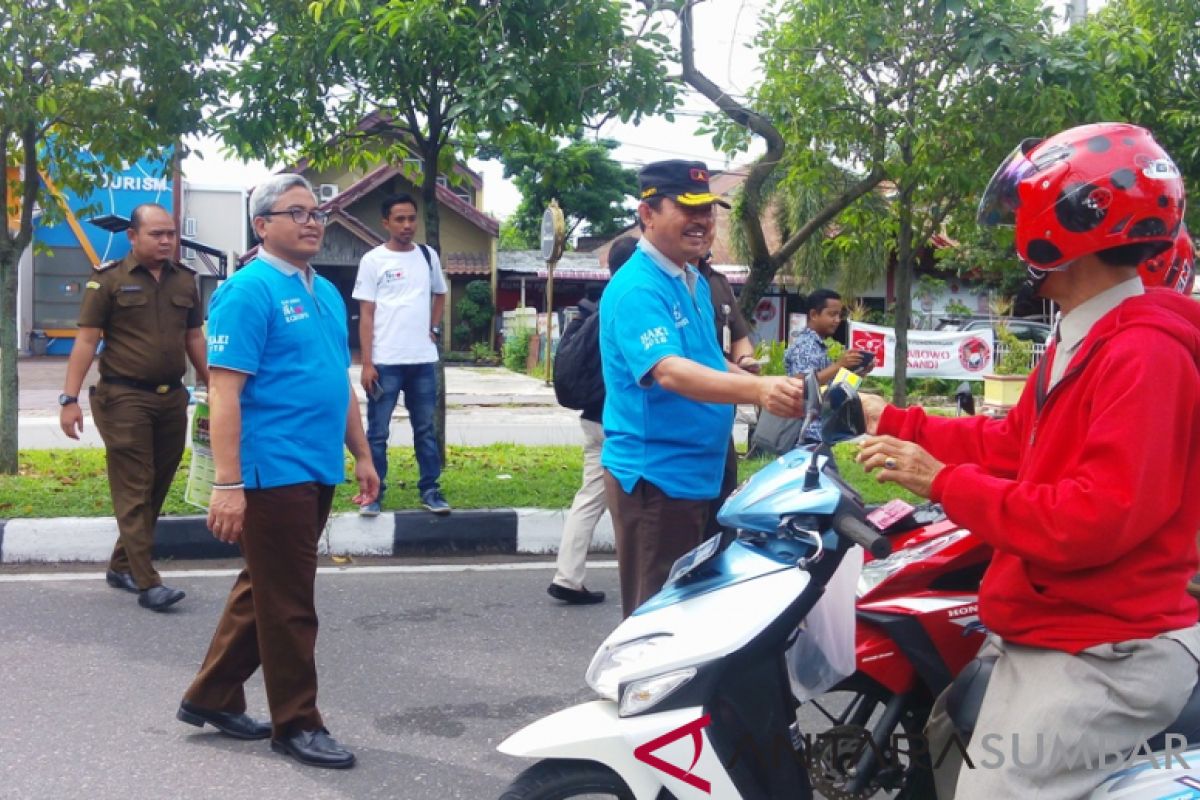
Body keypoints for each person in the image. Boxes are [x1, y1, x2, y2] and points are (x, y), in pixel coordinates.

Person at [856, 123, 1200, 799]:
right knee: (946, 739)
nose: (1015, 233)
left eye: (1024, 213)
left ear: (1065, 225)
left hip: (1105, 650)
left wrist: (944, 482)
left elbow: (1091, 519)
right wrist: (893, 419)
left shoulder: (1145, 355)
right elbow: (1015, 448)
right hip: (1053, 626)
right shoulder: (1084, 337)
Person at [178, 174, 378, 769]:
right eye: (297, 212)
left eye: (317, 213)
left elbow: (334, 380)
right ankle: (297, 723)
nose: (312, 222)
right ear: (262, 225)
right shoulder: (247, 291)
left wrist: (361, 452)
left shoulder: (325, 292)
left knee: (265, 583)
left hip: (315, 463)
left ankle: (211, 696)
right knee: (290, 600)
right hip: (272, 470)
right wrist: (229, 484)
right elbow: (225, 392)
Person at [600, 159, 806, 617]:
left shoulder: (689, 279)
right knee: (657, 616)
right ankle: (640, 690)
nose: (702, 222)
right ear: (647, 214)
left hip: (702, 473)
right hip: (659, 480)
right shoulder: (638, 288)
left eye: (708, 210)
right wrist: (757, 393)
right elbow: (670, 371)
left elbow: (711, 364)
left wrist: (775, 386)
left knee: (697, 611)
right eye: (687, 208)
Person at [59, 203, 206, 611]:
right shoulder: (108, 281)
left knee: (157, 485)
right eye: (156, 234)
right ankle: (147, 581)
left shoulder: (185, 281)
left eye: (171, 234)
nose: (165, 241)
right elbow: (87, 341)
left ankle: (120, 564)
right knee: (134, 487)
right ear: (133, 236)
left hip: (172, 398)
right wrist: (69, 399)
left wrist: (217, 386)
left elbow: (194, 338)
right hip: (123, 397)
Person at [546, 236, 638, 605]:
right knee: (636, 504)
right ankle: (647, 581)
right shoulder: (631, 304)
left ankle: (568, 577)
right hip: (620, 422)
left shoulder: (594, 306)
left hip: (591, 420)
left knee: (588, 499)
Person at [354, 194, 450, 516]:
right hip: (385, 362)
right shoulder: (373, 261)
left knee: (425, 429)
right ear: (386, 222)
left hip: (422, 361)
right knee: (378, 432)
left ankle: (430, 490)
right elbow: (366, 314)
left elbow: (440, 294)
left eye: (412, 218)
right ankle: (375, 493)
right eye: (400, 219)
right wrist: (367, 363)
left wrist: (432, 328)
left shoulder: (427, 256)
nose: (407, 225)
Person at [694, 246, 758, 535]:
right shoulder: (665, 283)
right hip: (686, 420)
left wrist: (744, 360)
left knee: (721, 514)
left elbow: (739, 335)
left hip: (722, 420)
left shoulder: (719, 283)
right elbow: (696, 355)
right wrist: (756, 386)